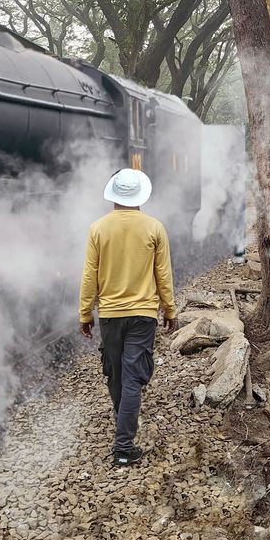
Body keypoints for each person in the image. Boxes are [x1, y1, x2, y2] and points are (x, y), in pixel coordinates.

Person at [79, 168, 177, 466]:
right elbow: (163, 274)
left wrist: (85, 313)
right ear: (140, 197)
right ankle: (123, 444)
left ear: (113, 198)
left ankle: (123, 426)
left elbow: (89, 276)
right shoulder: (154, 228)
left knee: (116, 373)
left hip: (109, 315)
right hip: (143, 315)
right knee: (133, 374)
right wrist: (170, 309)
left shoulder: (98, 228)